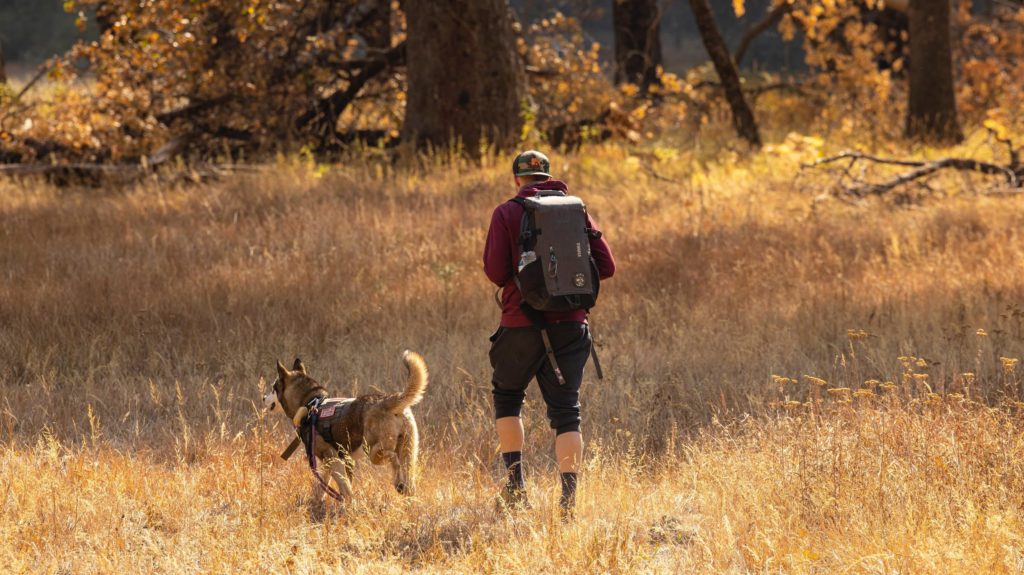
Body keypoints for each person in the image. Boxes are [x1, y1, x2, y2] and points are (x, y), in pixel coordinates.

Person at [483, 150, 616, 516]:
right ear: (549, 176)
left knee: (508, 397)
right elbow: (606, 266)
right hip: (572, 324)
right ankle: (568, 504)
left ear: (517, 179)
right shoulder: (576, 209)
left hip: (520, 324)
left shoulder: (507, 212)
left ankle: (515, 489)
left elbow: (495, 272)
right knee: (566, 412)